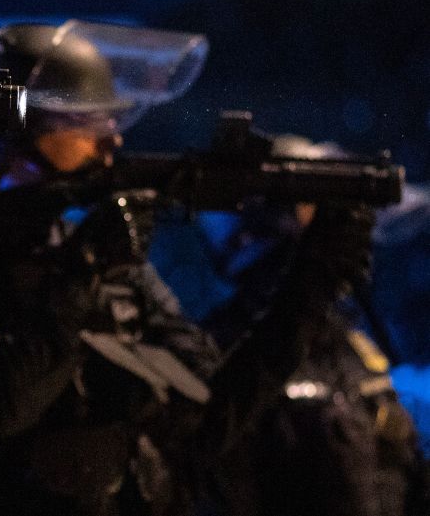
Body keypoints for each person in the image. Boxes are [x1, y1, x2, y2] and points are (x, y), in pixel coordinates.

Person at [0, 21, 221, 515]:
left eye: (112, 121)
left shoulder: (74, 246)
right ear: (13, 131)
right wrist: (82, 274)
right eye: (88, 121)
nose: (110, 143)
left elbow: (205, 391)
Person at [151, 135, 429, 516]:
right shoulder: (231, 349)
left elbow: (397, 465)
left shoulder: (349, 342)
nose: (343, 225)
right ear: (277, 218)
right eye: (316, 206)